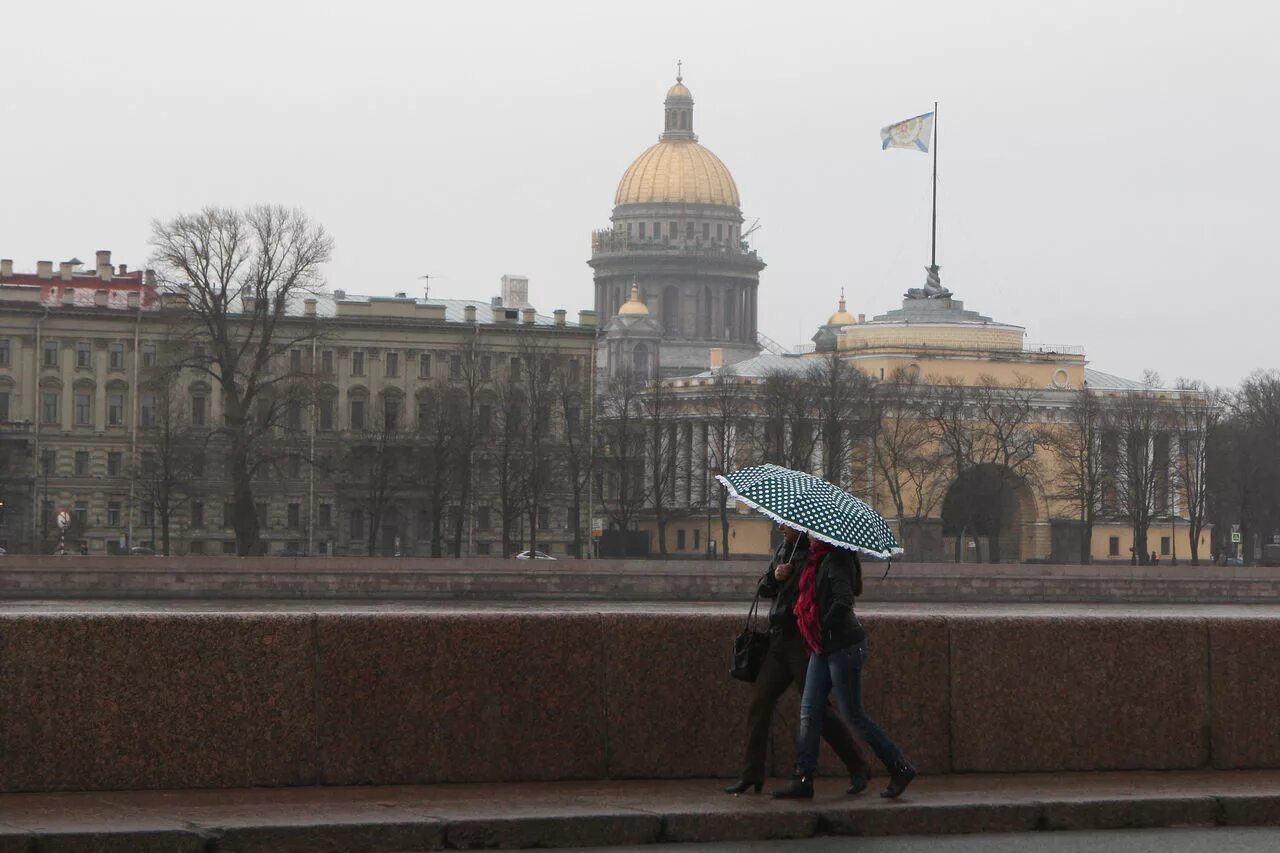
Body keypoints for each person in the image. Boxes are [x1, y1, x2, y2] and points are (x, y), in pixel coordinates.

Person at [723, 525, 871, 795]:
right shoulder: (783, 550)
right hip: (777, 641)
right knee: (760, 703)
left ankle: (857, 765)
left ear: (802, 529)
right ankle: (751, 774)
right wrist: (776, 578)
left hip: (802, 643)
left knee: (818, 711)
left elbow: (827, 595)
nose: (781, 527)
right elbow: (765, 589)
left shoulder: (819, 555)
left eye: (787, 525)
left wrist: (798, 578)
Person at [773, 540, 916, 800]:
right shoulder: (817, 560)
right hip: (824, 645)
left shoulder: (835, 561)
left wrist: (822, 625)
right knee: (809, 710)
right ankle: (803, 778)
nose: (809, 533)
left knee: (853, 715)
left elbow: (843, 601)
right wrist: (783, 575)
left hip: (844, 646)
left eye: (813, 530)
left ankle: (900, 766)